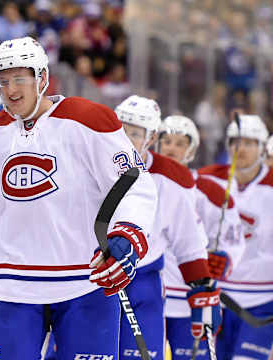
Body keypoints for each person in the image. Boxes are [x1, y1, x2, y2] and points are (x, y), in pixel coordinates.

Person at [0, 36, 158, 358]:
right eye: (4, 81)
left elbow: (133, 184)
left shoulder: (89, 120)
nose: (11, 90)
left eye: (20, 79)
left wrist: (129, 235)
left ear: (43, 79)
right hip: (12, 286)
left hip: (86, 282)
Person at [115, 96, 221, 360]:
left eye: (136, 133)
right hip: (89, 283)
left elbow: (189, 242)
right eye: (121, 129)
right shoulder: (86, 163)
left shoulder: (173, 178)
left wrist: (202, 286)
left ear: (151, 138)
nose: (126, 138)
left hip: (143, 283)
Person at [158, 115, 244, 359]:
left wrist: (225, 259)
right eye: (166, 141)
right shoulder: (143, 182)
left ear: (191, 150)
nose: (171, 148)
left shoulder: (210, 190)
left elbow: (233, 238)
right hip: (153, 294)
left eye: (179, 143)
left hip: (191, 297)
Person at [199, 115, 273, 360]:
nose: (241, 149)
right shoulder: (206, 179)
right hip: (216, 297)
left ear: (262, 148)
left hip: (262, 300)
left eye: (250, 143)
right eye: (236, 142)